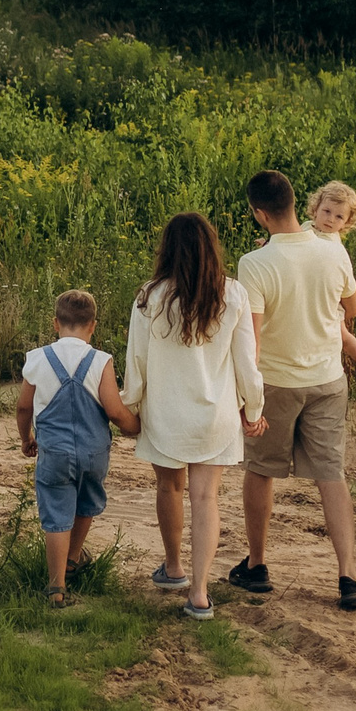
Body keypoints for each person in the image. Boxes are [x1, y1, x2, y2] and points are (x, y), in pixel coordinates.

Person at [231, 168, 356, 611]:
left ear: (260, 215)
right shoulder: (334, 254)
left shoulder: (254, 263)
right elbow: (351, 308)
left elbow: (251, 338)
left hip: (277, 382)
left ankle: (257, 566)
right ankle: (348, 576)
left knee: (260, 470)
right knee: (330, 475)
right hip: (327, 381)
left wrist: (247, 395)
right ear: (302, 204)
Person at [120, 212, 266, 621]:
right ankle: (200, 593)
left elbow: (138, 363)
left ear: (166, 248)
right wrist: (253, 409)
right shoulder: (232, 294)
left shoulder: (149, 296)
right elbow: (246, 364)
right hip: (215, 415)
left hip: (166, 413)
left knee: (169, 489)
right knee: (206, 498)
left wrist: (127, 405)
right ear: (211, 247)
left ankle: (173, 568)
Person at [16, 289, 141, 606]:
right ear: (93, 326)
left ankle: (57, 588)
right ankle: (73, 558)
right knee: (86, 503)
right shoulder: (101, 361)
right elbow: (114, 410)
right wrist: (136, 426)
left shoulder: (37, 358)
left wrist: (26, 439)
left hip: (54, 453)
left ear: (55, 323)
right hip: (93, 453)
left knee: (57, 514)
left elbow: (23, 408)